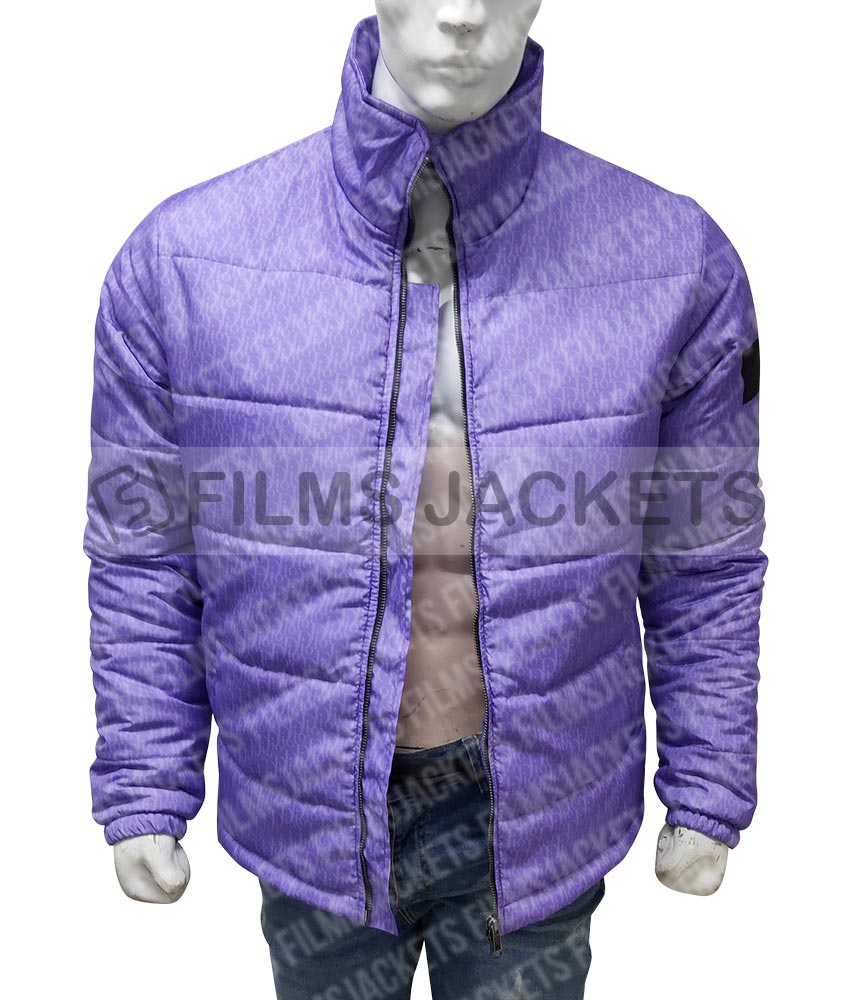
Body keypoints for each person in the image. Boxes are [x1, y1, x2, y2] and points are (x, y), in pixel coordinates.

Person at [83, 3, 767, 997]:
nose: (461, 15)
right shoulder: (181, 264)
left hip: (542, 812)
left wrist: (708, 786)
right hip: (308, 809)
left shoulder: (672, 261)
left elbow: (704, 556)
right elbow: (144, 551)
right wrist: (146, 780)